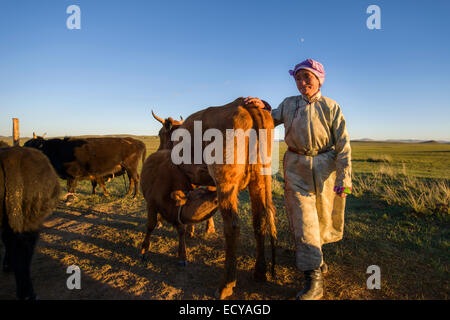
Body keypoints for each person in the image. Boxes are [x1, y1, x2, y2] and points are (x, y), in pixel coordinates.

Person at [244, 58, 352, 300]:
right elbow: (268, 121)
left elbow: (343, 144)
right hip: (296, 168)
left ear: (318, 79)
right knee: (304, 220)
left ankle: (316, 258)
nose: (302, 82)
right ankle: (314, 278)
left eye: (307, 77)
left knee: (322, 219)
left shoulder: (331, 107)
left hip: (326, 168)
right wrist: (262, 107)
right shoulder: (289, 104)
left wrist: (345, 176)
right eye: (298, 78)